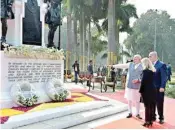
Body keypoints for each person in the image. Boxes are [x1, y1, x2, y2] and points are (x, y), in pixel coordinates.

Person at [108, 55, 143, 119]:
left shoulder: (142, 66)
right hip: (129, 86)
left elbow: (143, 77)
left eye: (136, 59)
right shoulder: (130, 64)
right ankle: (130, 112)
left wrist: (138, 80)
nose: (134, 60)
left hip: (137, 86)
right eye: (134, 58)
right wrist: (113, 66)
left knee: (137, 100)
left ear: (140, 60)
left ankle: (137, 113)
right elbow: (122, 65)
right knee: (129, 100)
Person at [149, 51, 167, 124]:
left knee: (159, 103)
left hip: (158, 88)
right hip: (151, 88)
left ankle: (161, 118)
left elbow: (164, 77)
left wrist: (162, 86)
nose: (149, 58)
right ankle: (153, 116)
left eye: (150, 56)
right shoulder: (150, 65)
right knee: (152, 103)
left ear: (155, 56)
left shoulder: (161, 65)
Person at [139, 58, 156, 127]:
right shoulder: (152, 71)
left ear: (144, 63)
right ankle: (151, 120)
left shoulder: (145, 71)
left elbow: (143, 82)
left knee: (147, 106)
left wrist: (140, 91)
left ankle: (147, 122)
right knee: (151, 106)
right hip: (153, 89)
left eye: (142, 63)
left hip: (146, 90)